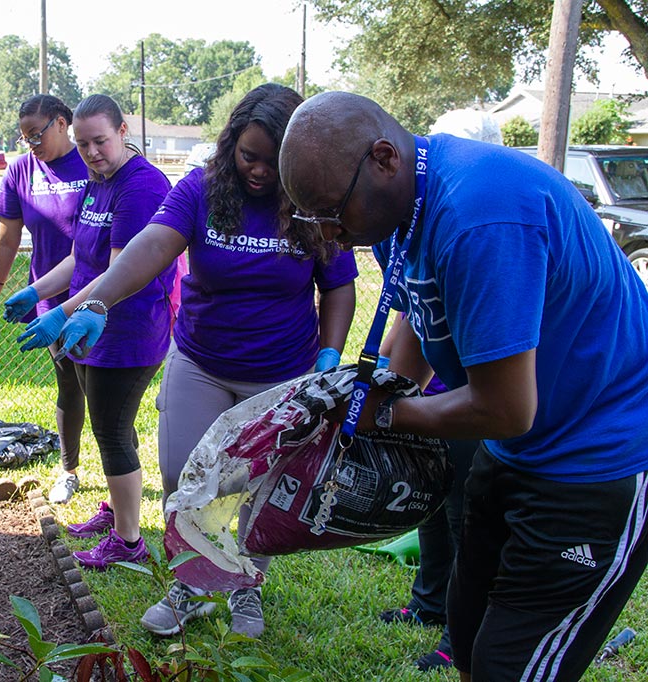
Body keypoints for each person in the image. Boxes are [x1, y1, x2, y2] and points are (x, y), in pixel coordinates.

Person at [279, 90, 648, 681]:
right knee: (470, 632)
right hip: (516, 453)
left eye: (333, 212)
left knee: (513, 666)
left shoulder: (480, 215)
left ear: (384, 159)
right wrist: (359, 399)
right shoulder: (408, 206)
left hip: (596, 460)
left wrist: (386, 416)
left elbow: (506, 409)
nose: (332, 236)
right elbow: (416, 327)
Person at [55, 83, 358, 638]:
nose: (261, 171)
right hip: (201, 360)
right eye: (249, 156)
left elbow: (338, 285)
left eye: (273, 160)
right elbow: (150, 246)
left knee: (257, 486)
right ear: (230, 146)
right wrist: (96, 299)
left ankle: (245, 588)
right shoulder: (202, 188)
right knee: (182, 476)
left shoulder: (313, 200)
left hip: (281, 372)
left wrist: (330, 353)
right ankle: (192, 584)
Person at [5, 94, 175, 570]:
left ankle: (128, 541)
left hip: (125, 331)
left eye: (100, 141)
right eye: (82, 145)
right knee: (111, 429)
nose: (92, 152)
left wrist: (62, 315)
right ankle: (121, 511)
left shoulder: (140, 187)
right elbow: (81, 258)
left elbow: (119, 270)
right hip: (87, 328)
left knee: (111, 429)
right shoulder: (98, 183)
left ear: (123, 131)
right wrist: (36, 290)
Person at [0, 94, 90, 505]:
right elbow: (6, 238)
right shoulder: (22, 170)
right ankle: (69, 470)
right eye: (24, 137)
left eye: (37, 134)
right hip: (47, 297)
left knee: (106, 392)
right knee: (69, 386)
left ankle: (120, 477)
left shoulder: (91, 159)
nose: (31, 144)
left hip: (99, 297)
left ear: (62, 123)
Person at [376, 318, 477, 673]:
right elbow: (407, 319)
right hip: (422, 403)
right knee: (429, 509)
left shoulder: (470, 267)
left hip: (466, 402)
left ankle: (459, 635)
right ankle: (429, 603)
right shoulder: (411, 265)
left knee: (466, 525)